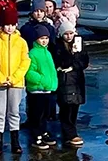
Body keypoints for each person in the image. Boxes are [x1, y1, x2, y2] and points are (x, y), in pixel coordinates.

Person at [0, 12, 31, 155]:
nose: (10, 28)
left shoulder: (21, 42)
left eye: (12, 25)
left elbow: (25, 61)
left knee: (14, 111)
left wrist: (14, 77)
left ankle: (15, 141)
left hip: (15, 82)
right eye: (7, 25)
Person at [53, 18, 89, 147]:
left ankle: (70, 131)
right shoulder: (58, 46)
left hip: (77, 80)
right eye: (66, 34)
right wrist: (72, 55)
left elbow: (85, 61)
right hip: (65, 81)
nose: (69, 36)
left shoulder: (79, 44)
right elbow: (61, 62)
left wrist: (75, 61)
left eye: (71, 33)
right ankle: (70, 134)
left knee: (74, 108)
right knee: (66, 108)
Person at [24, 24, 59, 150]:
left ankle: (43, 133)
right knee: (37, 115)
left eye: (46, 38)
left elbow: (51, 70)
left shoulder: (47, 53)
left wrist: (53, 83)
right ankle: (36, 136)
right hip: (37, 90)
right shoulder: (33, 53)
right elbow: (29, 72)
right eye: (41, 38)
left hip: (47, 90)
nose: (44, 41)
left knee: (45, 114)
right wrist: (42, 80)